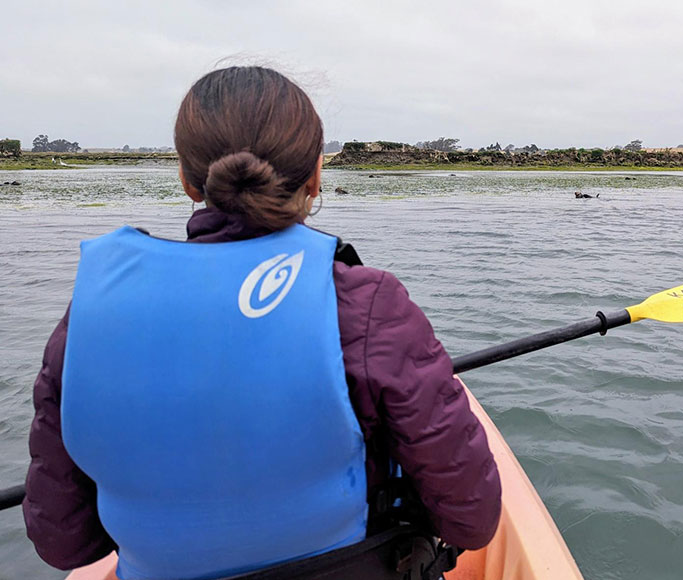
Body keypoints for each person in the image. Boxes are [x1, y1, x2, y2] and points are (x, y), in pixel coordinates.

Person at [23, 66, 501, 579]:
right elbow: (471, 520)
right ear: (317, 175)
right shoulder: (368, 305)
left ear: (188, 180)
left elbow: (64, 543)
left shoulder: (89, 318)